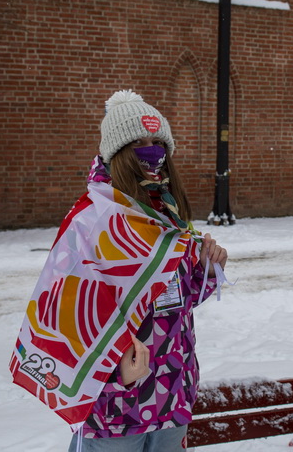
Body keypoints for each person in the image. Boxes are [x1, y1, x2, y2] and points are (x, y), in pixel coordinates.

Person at [68, 89, 228, 452]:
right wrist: (113, 376)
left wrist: (207, 269)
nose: (151, 150)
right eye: (138, 141)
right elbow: (72, 320)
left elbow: (175, 302)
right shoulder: (91, 220)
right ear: (116, 152)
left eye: (158, 141)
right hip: (115, 406)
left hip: (172, 394)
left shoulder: (167, 212)